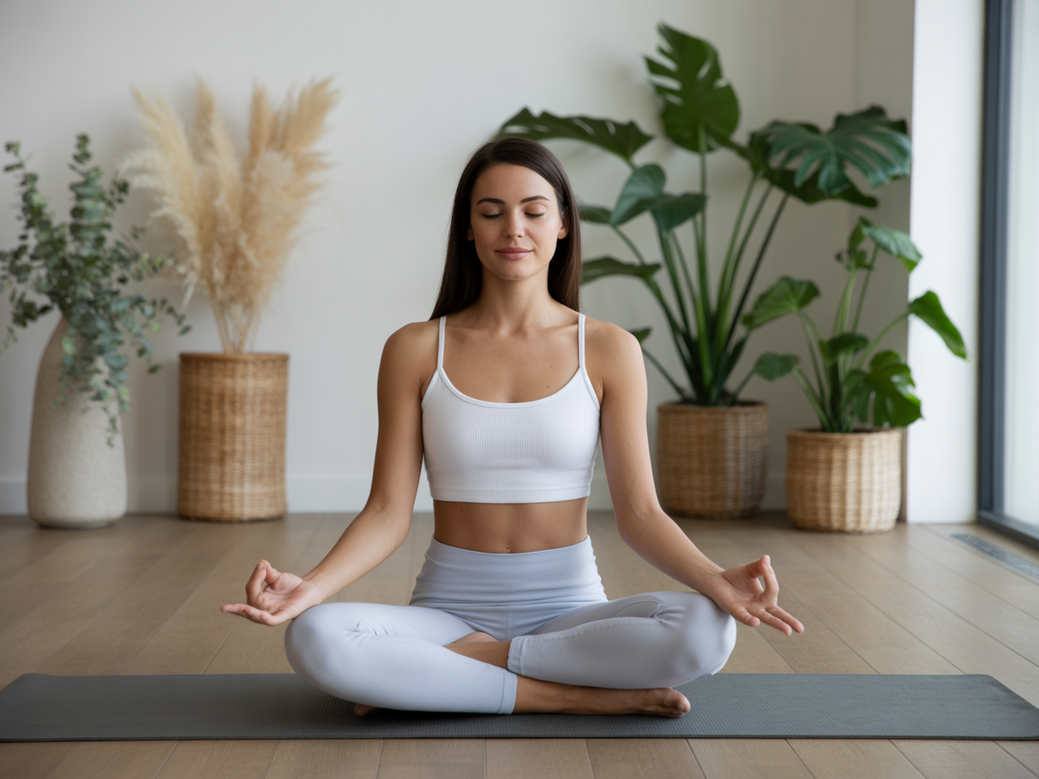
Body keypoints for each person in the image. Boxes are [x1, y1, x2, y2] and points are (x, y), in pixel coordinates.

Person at [221, 137, 804, 717]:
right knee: (314, 635)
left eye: (534, 211)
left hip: (570, 614)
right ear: (467, 228)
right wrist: (312, 587)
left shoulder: (608, 349)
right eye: (491, 212)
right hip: (447, 613)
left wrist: (714, 579)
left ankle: (446, 673)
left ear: (563, 224)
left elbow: (641, 514)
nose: (513, 230)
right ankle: (570, 697)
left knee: (707, 630)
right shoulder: (415, 349)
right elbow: (387, 512)